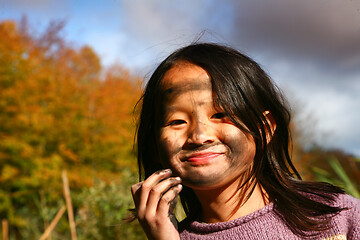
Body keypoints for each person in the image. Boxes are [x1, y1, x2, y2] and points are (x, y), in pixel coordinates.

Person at [130, 43, 360, 239]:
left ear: (265, 128)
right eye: (177, 121)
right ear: (155, 143)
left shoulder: (337, 217)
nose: (200, 136)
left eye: (220, 115)